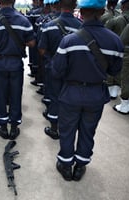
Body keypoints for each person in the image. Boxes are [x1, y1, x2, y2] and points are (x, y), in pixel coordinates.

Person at [51, 0, 124, 181]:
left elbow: (57, 70)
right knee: (88, 130)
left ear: (81, 13)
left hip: (71, 93)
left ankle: (66, 165)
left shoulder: (68, 40)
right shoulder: (115, 41)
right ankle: (80, 166)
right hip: (96, 93)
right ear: (102, 11)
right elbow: (115, 71)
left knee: (67, 129)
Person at [0, 0, 35, 140]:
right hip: (16, 63)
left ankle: (3, 126)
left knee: (0, 95)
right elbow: (31, 43)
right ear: (14, 1)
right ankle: (14, 127)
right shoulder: (24, 21)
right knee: (16, 94)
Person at [38, 0, 82, 139]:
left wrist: (52, 60)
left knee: (54, 97)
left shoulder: (49, 26)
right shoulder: (82, 27)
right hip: (74, 70)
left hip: (53, 67)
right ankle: (68, 128)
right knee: (71, 99)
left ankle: (54, 129)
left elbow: (42, 49)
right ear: (75, 6)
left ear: (59, 5)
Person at [105, 0, 129, 99]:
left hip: (114, 48)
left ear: (122, 6)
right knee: (122, 72)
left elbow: (106, 31)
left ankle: (110, 92)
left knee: (111, 69)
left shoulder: (115, 19)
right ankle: (115, 92)